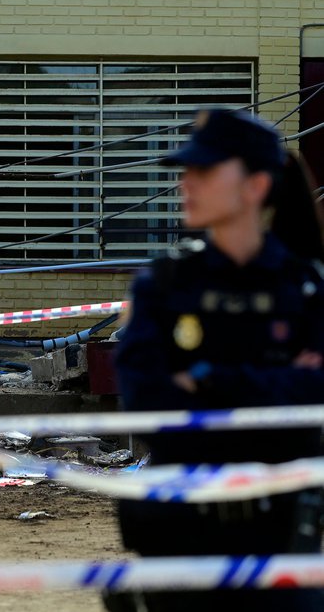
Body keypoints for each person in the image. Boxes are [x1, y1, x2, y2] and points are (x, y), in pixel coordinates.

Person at [104, 109, 324, 611]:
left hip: (281, 545)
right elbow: (145, 406)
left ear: (254, 186)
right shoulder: (162, 286)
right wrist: (279, 386)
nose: (186, 183)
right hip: (181, 545)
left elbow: (315, 409)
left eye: (204, 171)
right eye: (185, 171)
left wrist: (203, 380)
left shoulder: (304, 289)